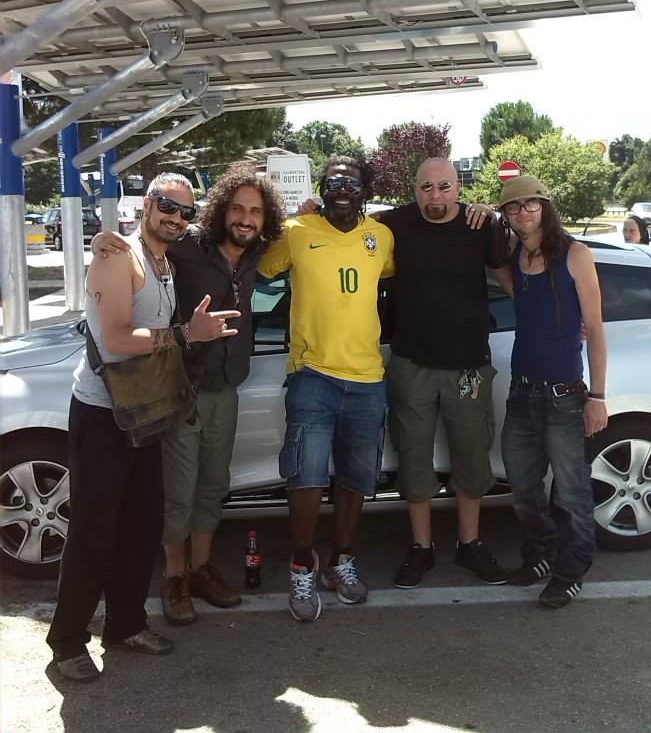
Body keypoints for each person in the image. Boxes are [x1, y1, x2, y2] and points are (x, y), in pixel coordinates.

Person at [47, 173, 239, 682]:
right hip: (102, 414)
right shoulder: (118, 256)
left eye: (185, 212)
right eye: (166, 206)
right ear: (147, 204)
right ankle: (66, 642)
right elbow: (114, 340)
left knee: (140, 527)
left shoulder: (166, 261)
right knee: (93, 531)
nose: (175, 218)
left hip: (146, 413)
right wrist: (185, 333)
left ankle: (126, 625)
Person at [92, 166, 285, 626]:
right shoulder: (190, 244)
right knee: (178, 492)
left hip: (228, 387)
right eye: (237, 208)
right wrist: (104, 240)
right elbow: (144, 243)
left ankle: (201, 569)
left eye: (255, 212)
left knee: (214, 487)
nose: (245, 218)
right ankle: (174, 577)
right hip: (183, 388)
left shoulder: (258, 252)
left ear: (265, 219)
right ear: (221, 210)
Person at [257, 155, 394, 622]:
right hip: (312, 374)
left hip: (368, 378)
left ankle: (342, 560)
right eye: (333, 183)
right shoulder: (297, 231)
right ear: (321, 188)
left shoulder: (381, 237)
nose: (342, 191)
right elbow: (257, 268)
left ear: (364, 192)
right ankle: (302, 563)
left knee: (357, 478)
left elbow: (396, 271)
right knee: (306, 476)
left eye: (351, 184)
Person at [376, 158, 510, 589]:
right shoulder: (394, 224)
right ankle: (421, 547)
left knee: (471, 456)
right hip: (411, 363)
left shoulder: (479, 225)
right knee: (413, 458)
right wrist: (310, 209)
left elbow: (513, 277)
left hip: (469, 365)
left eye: (445, 186)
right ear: (414, 188)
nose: (436, 195)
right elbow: (346, 226)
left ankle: (470, 543)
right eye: (427, 187)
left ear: (459, 187)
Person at [496, 175, 608, 609]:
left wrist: (597, 397)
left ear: (544, 206)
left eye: (530, 204)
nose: (522, 212)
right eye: (513, 206)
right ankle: (540, 553)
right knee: (522, 485)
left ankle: (572, 569)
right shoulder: (514, 253)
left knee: (572, 492)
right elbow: (519, 294)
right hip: (522, 394)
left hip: (565, 396)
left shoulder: (575, 255)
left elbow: (595, 327)